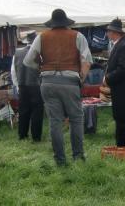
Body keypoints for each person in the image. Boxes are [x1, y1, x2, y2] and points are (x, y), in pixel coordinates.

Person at [23, 9, 92, 166]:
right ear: (66, 23)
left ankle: (60, 160)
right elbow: (86, 60)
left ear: (52, 23)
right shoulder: (77, 36)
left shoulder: (42, 36)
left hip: (47, 82)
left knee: (55, 121)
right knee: (76, 119)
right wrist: (81, 77)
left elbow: (28, 61)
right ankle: (78, 157)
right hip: (70, 81)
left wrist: (40, 67)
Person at [104, 19, 125, 147]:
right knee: (120, 118)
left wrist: (108, 78)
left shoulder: (124, 45)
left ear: (115, 32)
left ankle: (123, 146)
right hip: (120, 87)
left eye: (108, 31)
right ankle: (122, 146)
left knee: (122, 118)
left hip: (123, 88)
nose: (107, 34)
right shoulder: (120, 44)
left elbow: (123, 69)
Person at [11, 30, 44, 142]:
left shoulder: (17, 53)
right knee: (37, 111)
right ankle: (36, 137)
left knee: (23, 110)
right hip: (36, 86)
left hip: (22, 85)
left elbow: (13, 72)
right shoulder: (40, 54)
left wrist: (18, 85)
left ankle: (22, 135)